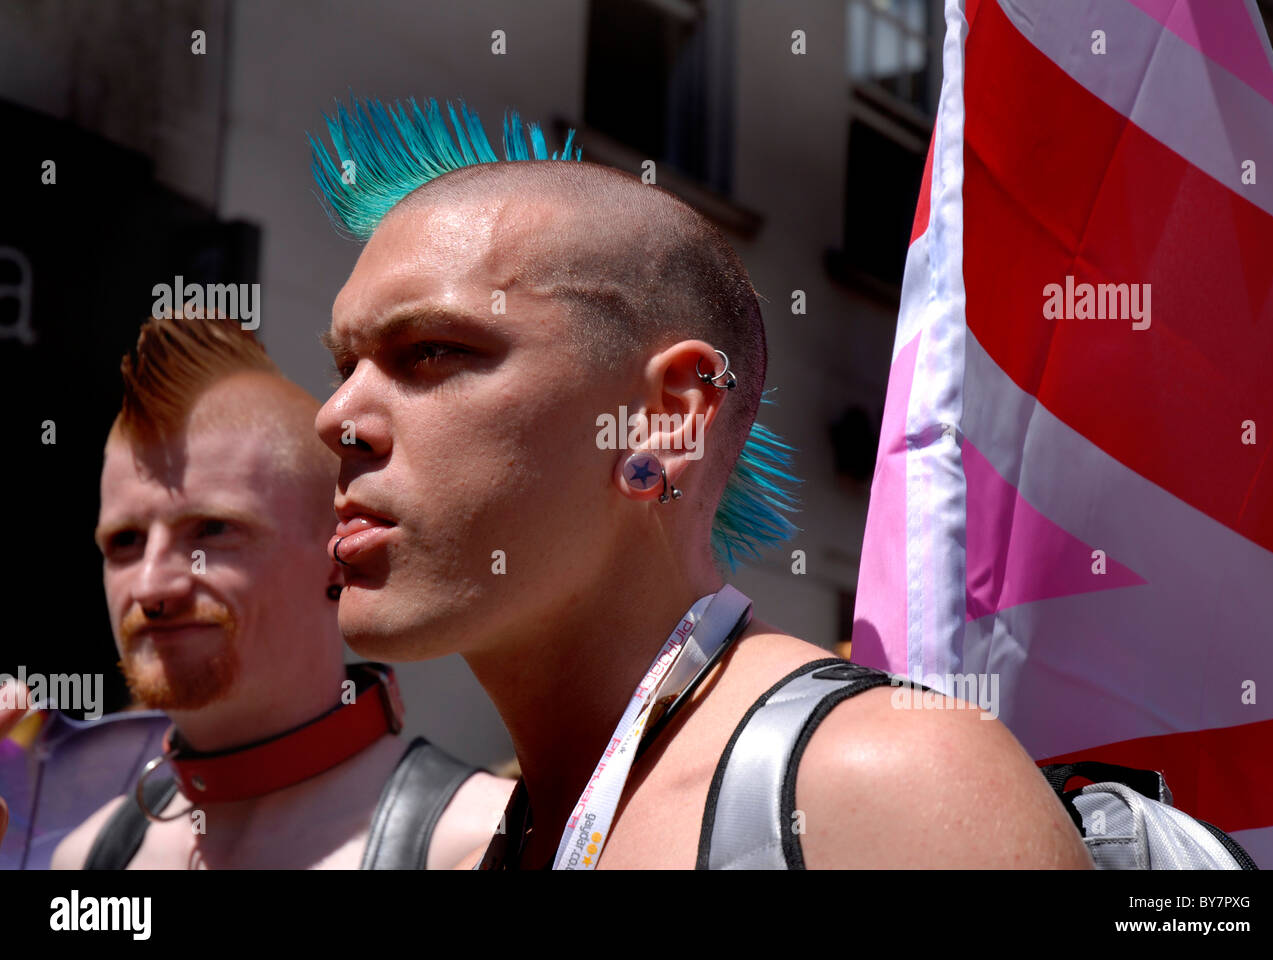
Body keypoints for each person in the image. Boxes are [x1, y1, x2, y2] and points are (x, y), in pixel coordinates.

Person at [310, 98, 1093, 869]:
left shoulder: (881, 790)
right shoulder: (489, 848)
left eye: (432, 350)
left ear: (667, 416)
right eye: (345, 367)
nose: (337, 417)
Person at [50, 313, 513, 869]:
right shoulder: (87, 860)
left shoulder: (487, 843)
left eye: (213, 530)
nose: (152, 587)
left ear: (338, 555)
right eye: (124, 541)